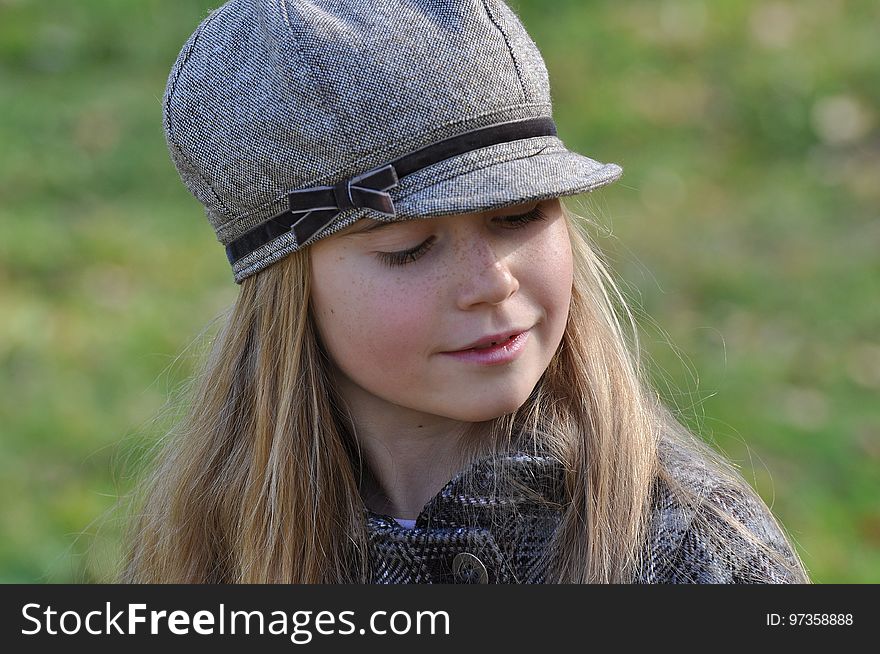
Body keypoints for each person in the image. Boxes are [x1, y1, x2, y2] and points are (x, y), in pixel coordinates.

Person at [123, 0, 809, 583]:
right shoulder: (211, 541)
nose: (492, 283)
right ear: (285, 289)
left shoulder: (695, 556)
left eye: (519, 216)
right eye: (409, 249)